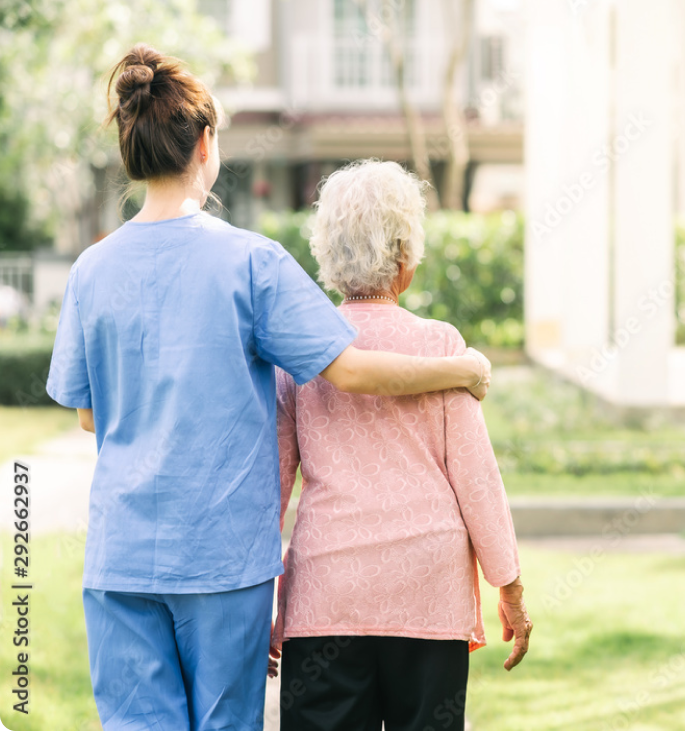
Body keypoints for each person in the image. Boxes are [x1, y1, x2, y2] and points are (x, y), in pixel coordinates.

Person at [45, 45, 492, 731]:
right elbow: (350, 369)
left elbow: (87, 414)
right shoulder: (251, 262)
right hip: (223, 562)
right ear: (205, 143)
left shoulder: (91, 270)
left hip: (121, 557)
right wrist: (459, 370)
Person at [270, 160, 532, 731]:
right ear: (405, 257)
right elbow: (477, 480)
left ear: (328, 253)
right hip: (427, 593)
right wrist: (509, 587)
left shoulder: (301, 354)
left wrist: (260, 601)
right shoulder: (442, 346)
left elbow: (271, 487)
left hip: (327, 594)